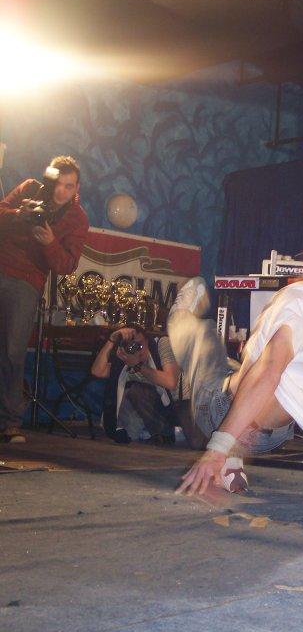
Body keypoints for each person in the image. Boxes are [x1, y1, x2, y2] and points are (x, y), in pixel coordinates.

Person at [174, 229, 303, 505]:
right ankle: (233, 460)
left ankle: (180, 314)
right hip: (274, 439)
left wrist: (217, 448)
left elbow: (270, 369)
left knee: (203, 338)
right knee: (236, 365)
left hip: (220, 411)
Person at [0, 156, 89, 443]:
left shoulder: (77, 219)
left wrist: (49, 243)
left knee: (13, 351)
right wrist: (18, 214)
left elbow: (67, 265)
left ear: (77, 187)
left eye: (69, 186)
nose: (62, 191)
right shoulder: (30, 189)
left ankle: (11, 421)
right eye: (58, 183)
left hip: (27, 281)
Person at [91, 324, 182, 445]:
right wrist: (111, 341)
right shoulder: (127, 361)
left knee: (137, 391)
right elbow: (97, 371)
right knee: (128, 393)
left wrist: (137, 365)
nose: (138, 350)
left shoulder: (161, 344)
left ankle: (167, 432)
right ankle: (155, 432)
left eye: (139, 345)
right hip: (154, 407)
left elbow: (171, 382)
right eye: (132, 346)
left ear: (147, 340)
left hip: (180, 404)